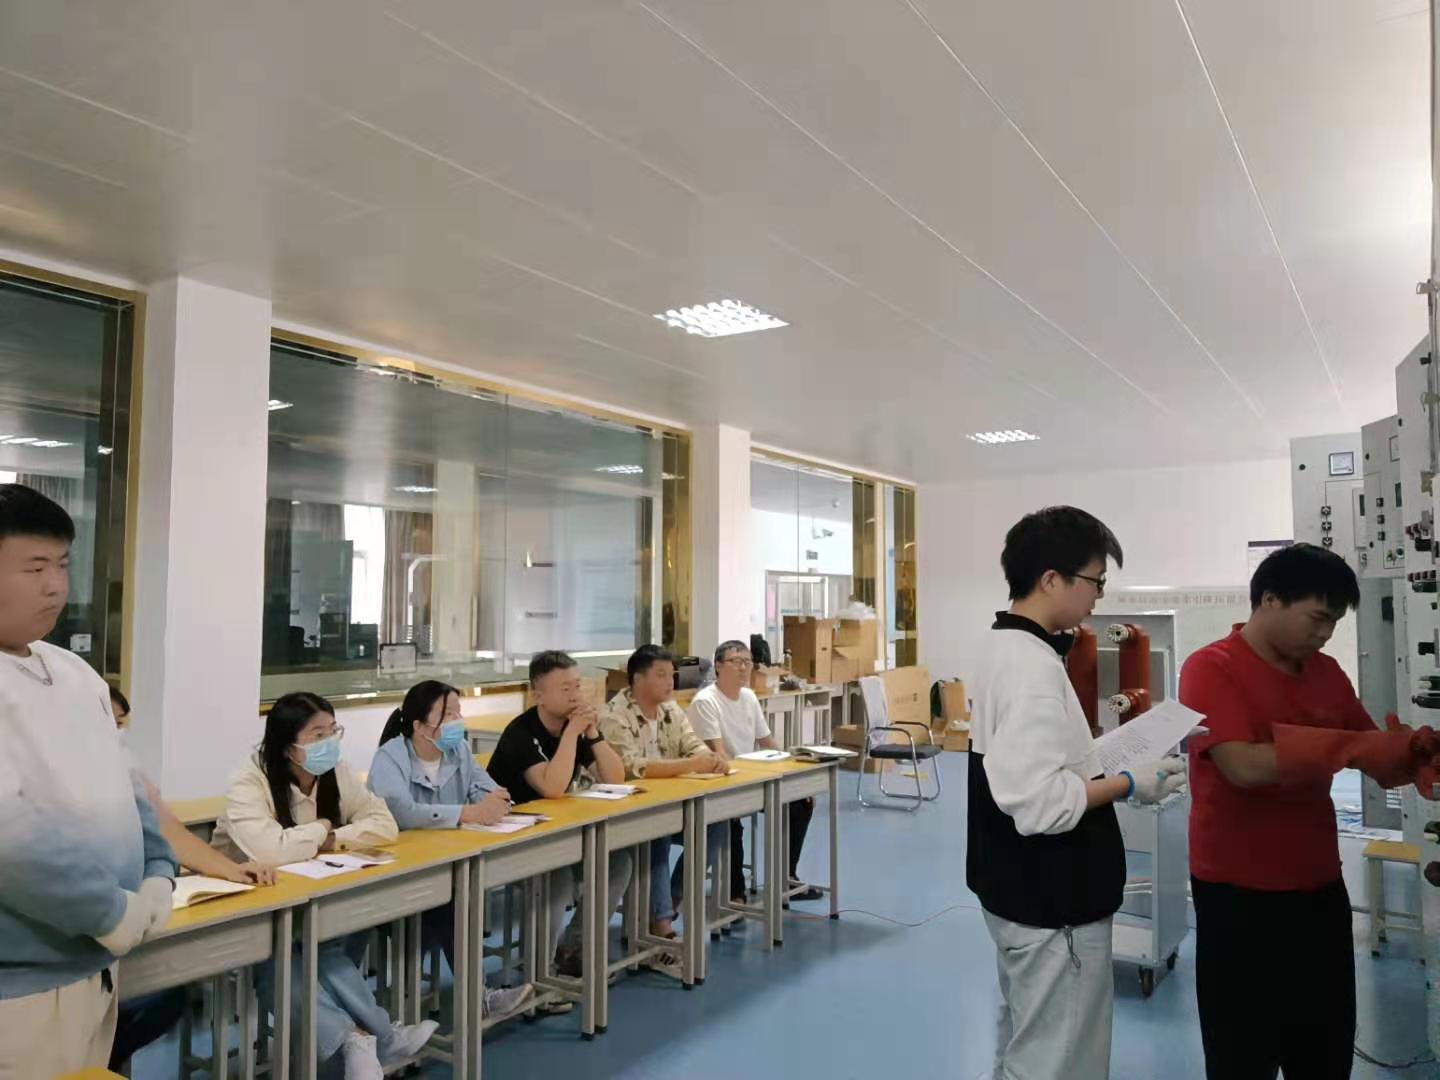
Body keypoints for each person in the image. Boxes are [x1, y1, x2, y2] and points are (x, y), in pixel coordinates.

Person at [1179, 543, 1440, 1079]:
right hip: (1238, 897)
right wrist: (1349, 747)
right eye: (1318, 618)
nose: (1325, 633)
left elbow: (1371, 750)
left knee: (1322, 1047)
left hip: (1318, 887)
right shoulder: (1211, 667)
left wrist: (1411, 753)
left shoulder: (1326, 672)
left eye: (1334, 622)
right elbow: (1242, 766)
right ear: (1269, 600)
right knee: (1241, 1054)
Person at [967, 506, 1185, 1080]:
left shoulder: (1003, 646)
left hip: (1012, 888)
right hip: (1052, 901)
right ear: (1050, 579)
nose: (1098, 596)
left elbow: (1019, 767)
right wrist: (1130, 782)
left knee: (1029, 1046)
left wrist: (1097, 763)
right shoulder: (1033, 667)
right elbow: (1040, 804)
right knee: (1060, 1061)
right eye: (1095, 581)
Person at [0, 483, 178, 1079]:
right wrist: (111, 913)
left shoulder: (73, 671)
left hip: (97, 967)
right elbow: (9, 840)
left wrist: (158, 872)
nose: (55, 586)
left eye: (63, 564)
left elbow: (127, 785)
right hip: (20, 988)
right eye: (34, 568)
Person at [212, 691, 435, 1080]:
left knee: (322, 949)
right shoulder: (249, 780)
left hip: (303, 900)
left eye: (333, 730)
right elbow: (270, 850)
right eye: (318, 735)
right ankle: (374, 1038)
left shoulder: (337, 771)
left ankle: (361, 1041)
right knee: (282, 963)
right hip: (243, 909)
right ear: (287, 747)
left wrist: (330, 839)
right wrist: (321, 828)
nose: (330, 742)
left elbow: (384, 825)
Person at [106, 684, 277, 1072]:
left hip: (129, 917)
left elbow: (170, 834)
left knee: (166, 997)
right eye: (108, 723)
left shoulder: (128, 772)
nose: (117, 734)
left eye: (120, 724)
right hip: (81, 930)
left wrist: (232, 870)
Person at [367, 679, 534, 1017]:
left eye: (459, 712)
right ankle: (479, 998)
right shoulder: (391, 757)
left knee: (455, 899)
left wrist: (493, 802)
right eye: (448, 715)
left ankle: (478, 996)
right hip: (399, 873)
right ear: (419, 726)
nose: (457, 721)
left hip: (446, 865)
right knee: (452, 905)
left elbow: (488, 789)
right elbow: (402, 811)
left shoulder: (459, 751)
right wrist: (467, 813)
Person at [486, 651, 634, 978]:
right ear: (538, 695)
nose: (575, 695)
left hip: (556, 834)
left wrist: (592, 733)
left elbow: (615, 778)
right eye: (565, 689)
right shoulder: (520, 733)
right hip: (511, 840)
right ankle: (539, 971)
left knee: (619, 862)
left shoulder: (575, 728)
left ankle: (574, 946)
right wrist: (571, 734)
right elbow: (552, 787)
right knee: (558, 876)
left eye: (577, 686)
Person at [598, 645, 726, 948]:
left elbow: (692, 744)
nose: (670, 682)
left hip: (668, 805)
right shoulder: (615, 715)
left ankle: (671, 898)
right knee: (658, 836)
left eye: (672, 675)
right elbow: (631, 768)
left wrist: (711, 758)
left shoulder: (670, 709)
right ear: (637, 679)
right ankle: (661, 924)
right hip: (625, 812)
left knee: (717, 826)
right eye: (661, 675)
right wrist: (691, 765)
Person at [687, 640, 824, 903]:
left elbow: (768, 743)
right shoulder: (706, 701)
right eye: (736, 662)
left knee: (800, 804)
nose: (743, 668)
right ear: (718, 666)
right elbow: (719, 755)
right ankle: (734, 892)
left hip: (748, 779)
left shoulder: (749, 697)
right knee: (730, 820)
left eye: (747, 662)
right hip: (717, 782)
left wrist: (793, 778)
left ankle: (786, 877)